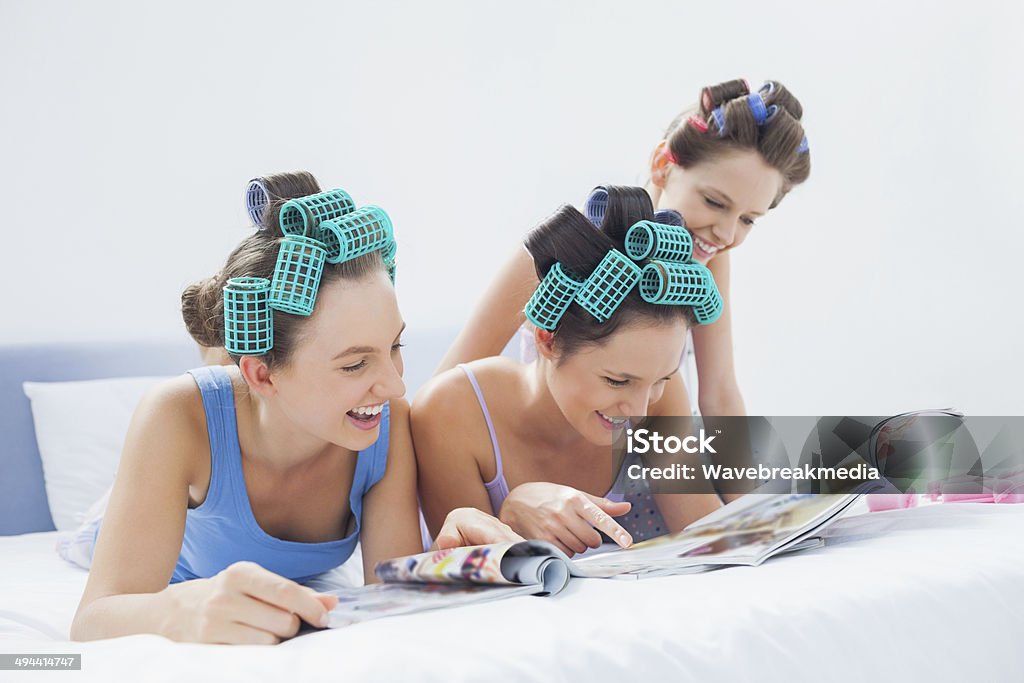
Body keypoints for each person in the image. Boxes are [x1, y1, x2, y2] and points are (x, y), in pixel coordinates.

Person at [70, 172, 519, 644]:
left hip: (261, 403)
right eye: (355, 365)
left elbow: (386, 590)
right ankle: (221, 360)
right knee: (217, 400)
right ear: (262, 374)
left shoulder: (386, 425)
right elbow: (94, 619)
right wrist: (177, 610)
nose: (394, 385)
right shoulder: (175, 416)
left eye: (395, 345)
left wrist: (450, 559)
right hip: (160, 526)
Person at [433, 78, 811, 425]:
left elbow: (720, 396)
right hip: (545, 472)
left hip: (651, 471)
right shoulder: (567, 246)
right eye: (714, 202)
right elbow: (443, 390)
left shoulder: (709, 260)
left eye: (748, 219)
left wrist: (765, 502)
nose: (727, 233)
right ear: (662, 165)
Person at [412, 188, 724, 557]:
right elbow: (476, 578)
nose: (639, 409)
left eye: (662, 380)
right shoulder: (452, 411)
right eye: (616, 381)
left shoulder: (655, 394)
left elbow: (712, 540)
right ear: (547, 339)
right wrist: (511, 511)